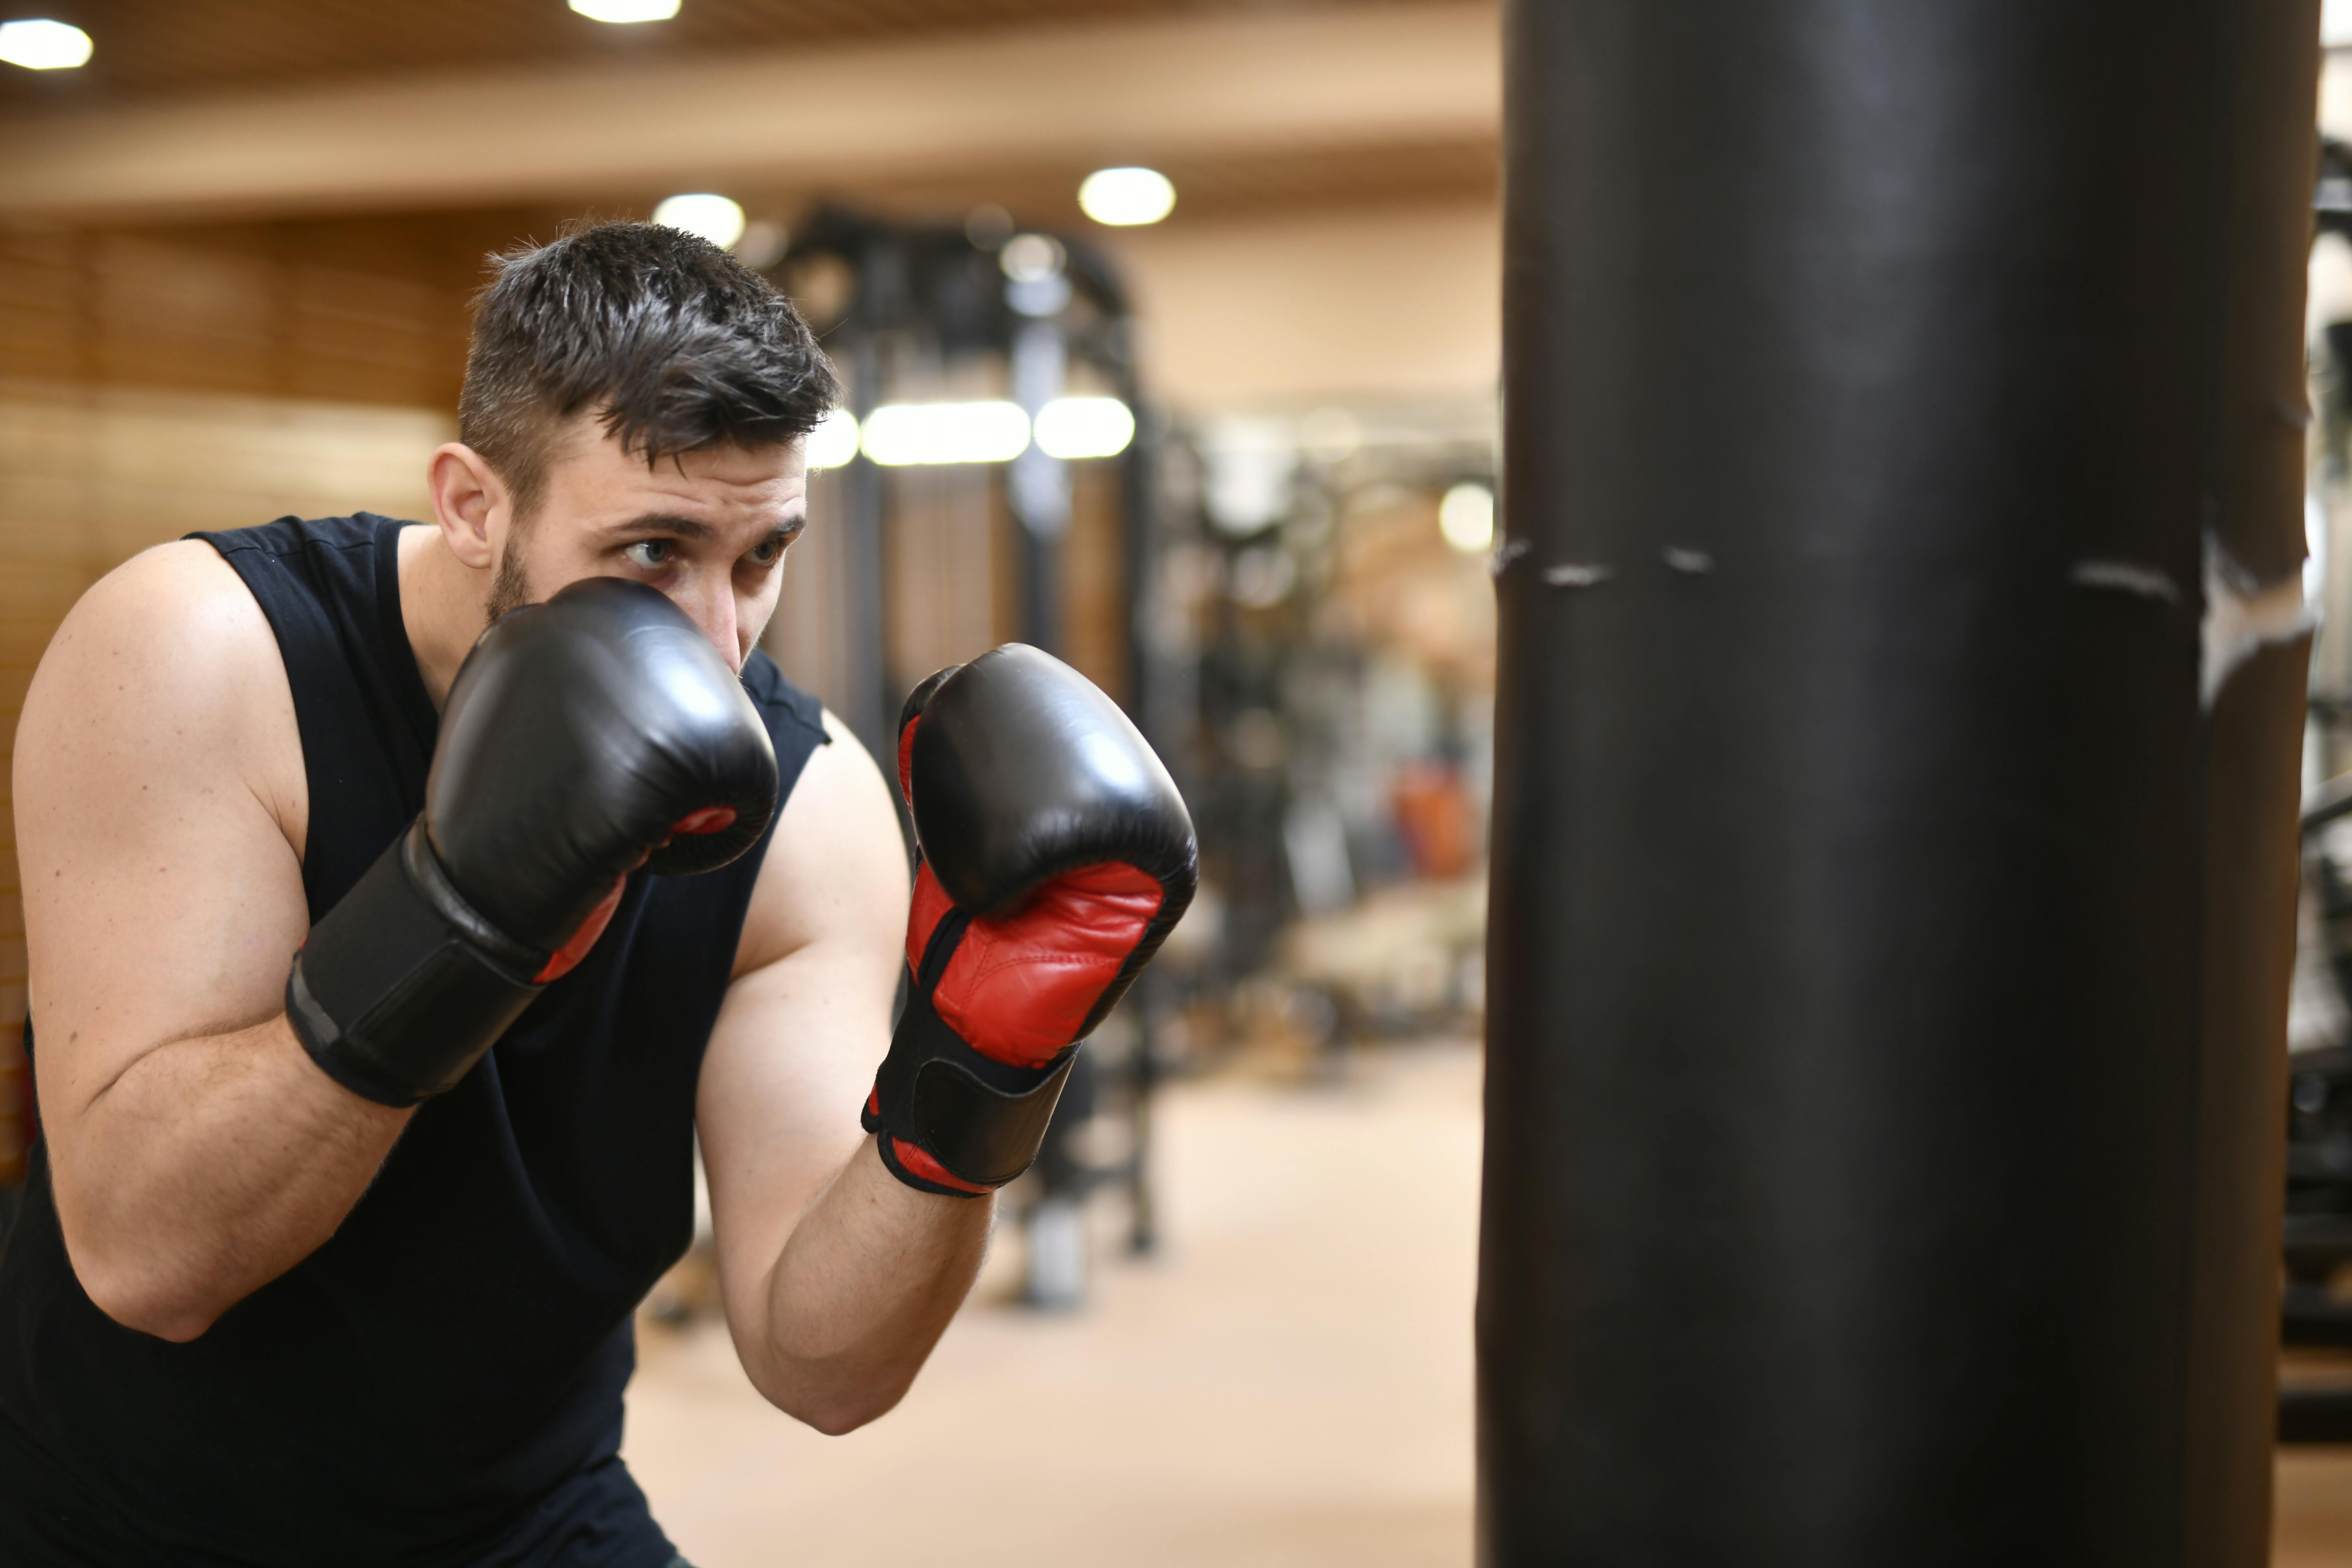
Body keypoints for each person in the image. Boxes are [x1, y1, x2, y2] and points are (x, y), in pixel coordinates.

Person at [0, 222, 1193, 1568]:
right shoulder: (205, 654)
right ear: (472, 505)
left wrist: (980, 1069)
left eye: (758, 560)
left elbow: (825, 1364)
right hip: (120, 1518)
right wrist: (463, 921)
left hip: (529, 1515)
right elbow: (147, 1261)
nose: (717, 642)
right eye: (651, 553)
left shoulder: (802, 808)